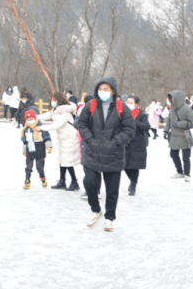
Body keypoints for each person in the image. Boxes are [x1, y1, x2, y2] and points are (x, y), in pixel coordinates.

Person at [75, 77, 136, 231]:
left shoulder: (122, 107)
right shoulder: (91, 105)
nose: (103, 91)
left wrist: (115, 142)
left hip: (113, 154)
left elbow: (130, 129)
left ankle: (109, 217)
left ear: (113, 91)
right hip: (92, 152)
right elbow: (81, 124)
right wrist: (89, 139)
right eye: (100, 88)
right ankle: (95, 209)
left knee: (112, 190)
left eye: (106, 89)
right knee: (89, 183)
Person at [36, 92, 81, 191]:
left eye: (54, 100)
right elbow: (45, 116)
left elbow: (57, 125)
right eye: (51, 100)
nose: (52, 102)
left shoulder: (65, 112)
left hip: (70, 137)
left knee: (67, 161)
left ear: (60, 100)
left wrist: (42, 128)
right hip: (62, 137)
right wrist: (33, 117)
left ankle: (74, 182)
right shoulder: (55, 111)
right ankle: (62, 181)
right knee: (62, 160)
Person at [166, 90, 193, 181]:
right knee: (173, 154)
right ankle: (179, 172)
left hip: (185, 136)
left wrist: (179, 124)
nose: (171, 100)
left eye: (172, 98)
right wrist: (165, 130)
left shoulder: (187, 108)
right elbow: (169, 120)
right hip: (174, 135)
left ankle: (187, 174)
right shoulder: (172, 108)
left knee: (186, 157)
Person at [124, 96, 149, 196]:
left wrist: (135, 122)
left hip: (137, 142)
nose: (129, 104)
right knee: (124, 165)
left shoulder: (142, 113)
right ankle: (132, 180)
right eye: (128, 102)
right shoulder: (123, 113)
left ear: (136, 104)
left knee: (135, 165)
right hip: (125, 142)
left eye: (131, 102)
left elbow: (146, 126)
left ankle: (133, 184)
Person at [21, 110, 51, 189]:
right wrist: (24, 150)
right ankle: (27, 181)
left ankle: (43, 179)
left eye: (31, 118)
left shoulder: (40, 127)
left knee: (40, 168)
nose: (30, 120)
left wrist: (49, 146)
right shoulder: (26, 129)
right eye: (28, 119)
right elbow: (24, 141)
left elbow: (46, 137)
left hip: (39, 149)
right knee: (28, 167)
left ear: (34, 118)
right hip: (30, 150)